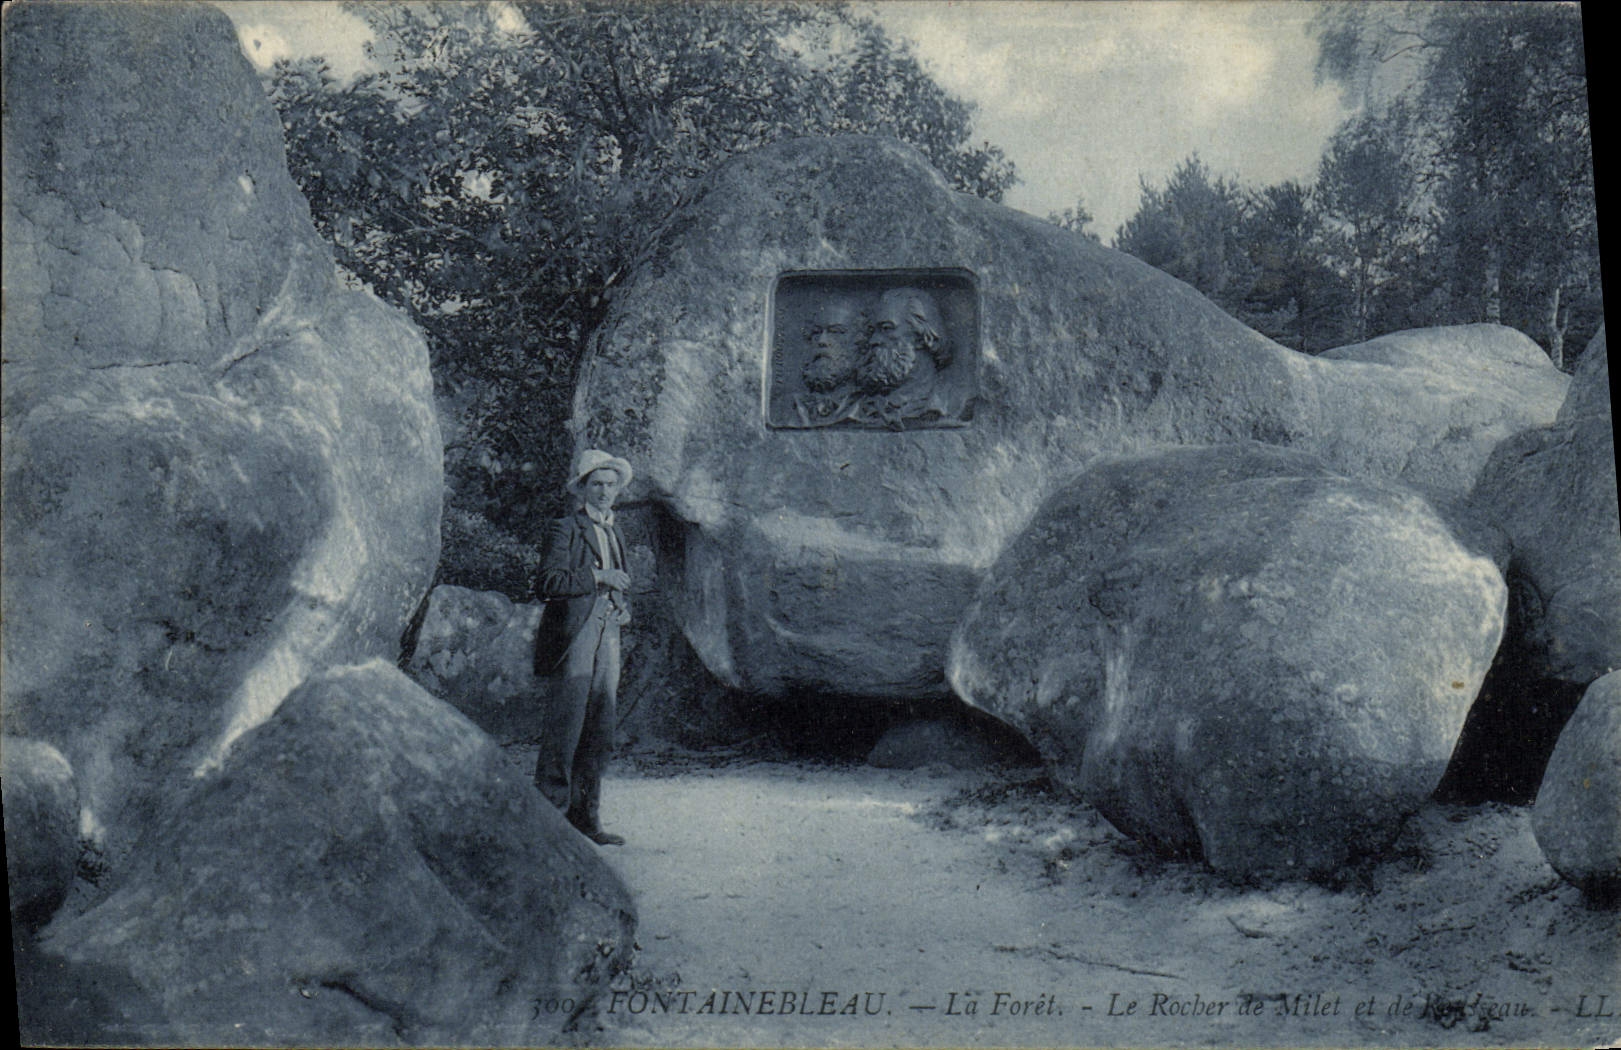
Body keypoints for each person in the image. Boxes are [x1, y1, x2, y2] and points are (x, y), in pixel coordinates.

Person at [532, 449, 634, 846]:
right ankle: (549, 825)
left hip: (608, 632)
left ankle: (586, 820)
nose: (605, 492)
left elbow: (620, 579)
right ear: (582, 489)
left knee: (600, 727)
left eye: (611, 485)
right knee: (566, 726)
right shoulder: (565, 528)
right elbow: (548, 583)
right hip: (575, 634)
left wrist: (622, 606)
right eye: (597, 484)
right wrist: (600, 577)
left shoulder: (616, 530)